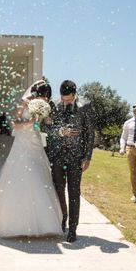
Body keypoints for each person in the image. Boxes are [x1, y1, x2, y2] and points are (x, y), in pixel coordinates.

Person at [0, 80, 62, 238]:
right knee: (20, 175)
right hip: (22, 143)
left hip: (35, 142)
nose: (44, 100)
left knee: (38, 175)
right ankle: (14, 223)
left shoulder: (45, 107)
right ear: (36, 94)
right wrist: (30, 122)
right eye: (42, 96)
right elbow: (14, 124)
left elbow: (40, 126)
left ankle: (44, 223)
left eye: (46, 97)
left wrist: (43, 122)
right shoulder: (24, 103)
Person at [47, 80, 95, 242]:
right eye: (63, 99)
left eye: (68, 99)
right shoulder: (53, 104)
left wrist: (87, 157)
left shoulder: (85, 106)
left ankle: (73, 228)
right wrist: (60, 131)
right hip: (57, 155)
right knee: (58, 189)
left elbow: (90, 133)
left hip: (76, 157)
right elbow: (46, 127)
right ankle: (63, 217)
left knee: (74, 192)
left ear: (74, 95)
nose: (65, 102)